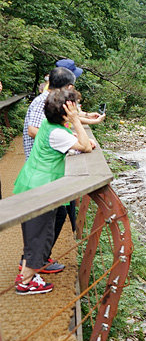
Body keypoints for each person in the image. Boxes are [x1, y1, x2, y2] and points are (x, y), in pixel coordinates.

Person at [22, 63, 105, 272]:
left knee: (55, 215)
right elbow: (34, 129)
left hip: (43, 171)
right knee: (41, 222)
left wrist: (71, 136)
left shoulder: (50, 106)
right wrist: (68, 138)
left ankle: (40, 259)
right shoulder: (45, 106)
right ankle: (30, 268)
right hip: (42, 174)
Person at [14, 89, 95, 294]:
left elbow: (76, 142)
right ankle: (25, 282)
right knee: (41, 235)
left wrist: (78, 134)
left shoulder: (49, 126)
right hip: (41, 190)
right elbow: (85, 146)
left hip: (32, 183)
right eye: (75, 107)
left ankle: (27, 271)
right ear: (66, 112)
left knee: (36, 234)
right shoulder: (58, 132)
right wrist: (76, 121)